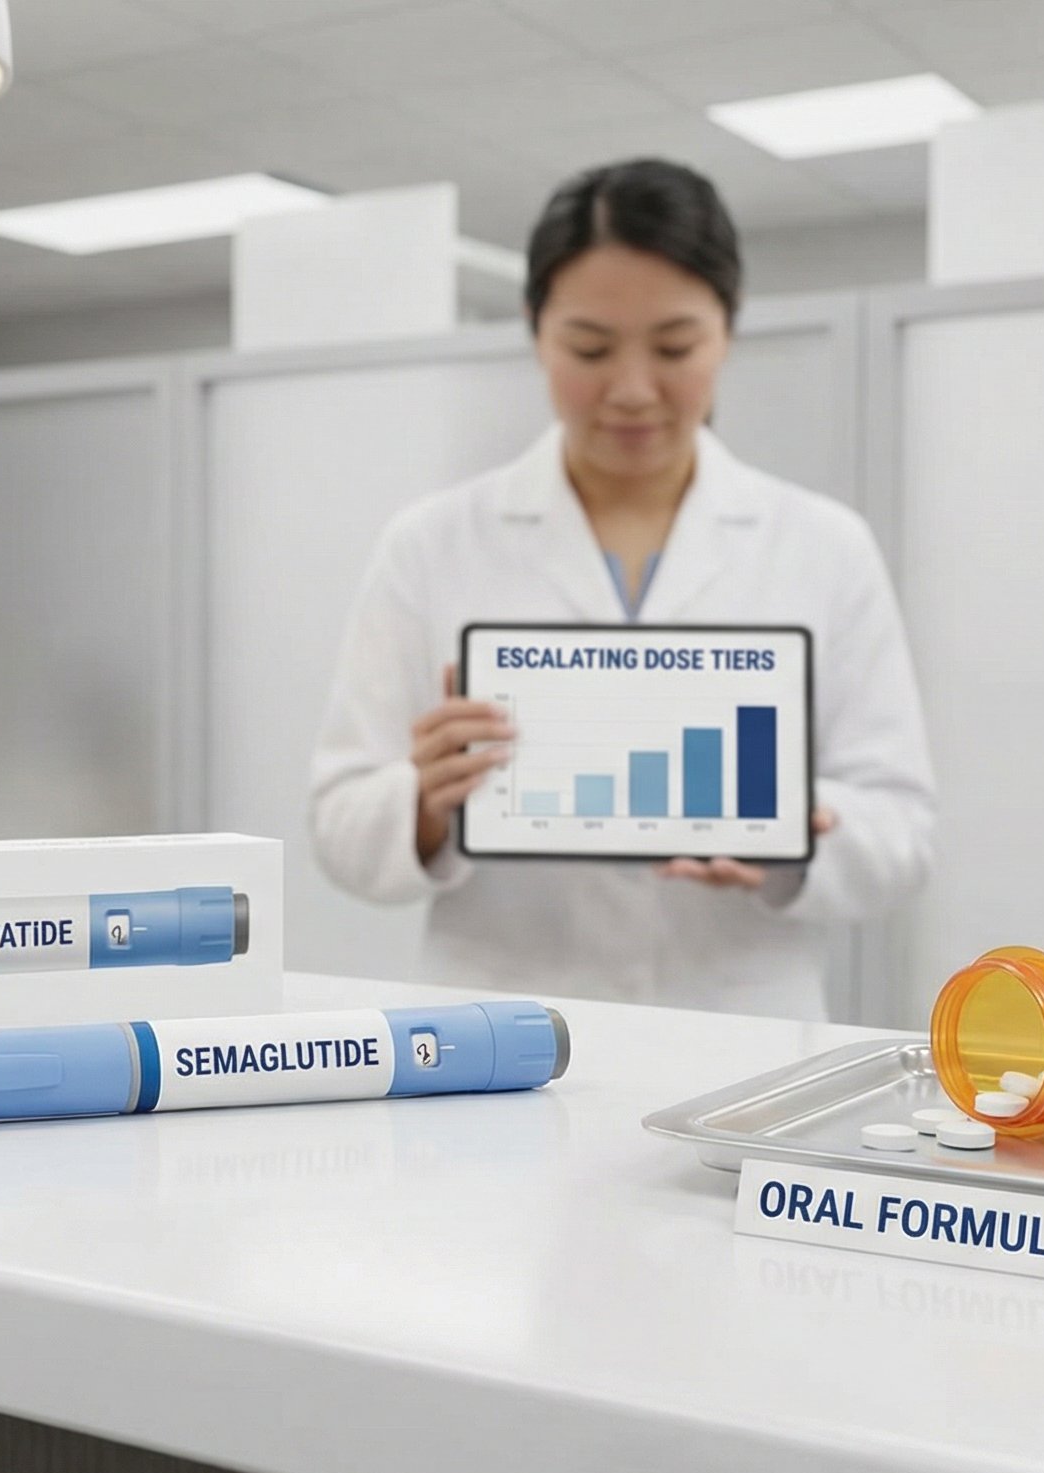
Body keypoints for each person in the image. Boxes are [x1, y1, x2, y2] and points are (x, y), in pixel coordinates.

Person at [308, 158, 936, 1021]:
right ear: (536, 332)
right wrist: (421, 804)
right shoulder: (432, 544)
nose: (634, 390)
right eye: (590, 349)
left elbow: (902, 832)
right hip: (503, 1029)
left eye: (675, 347)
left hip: (738, 1028)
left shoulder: (823, 547)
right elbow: (340, 822)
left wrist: (789, 833)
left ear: (728, 330)